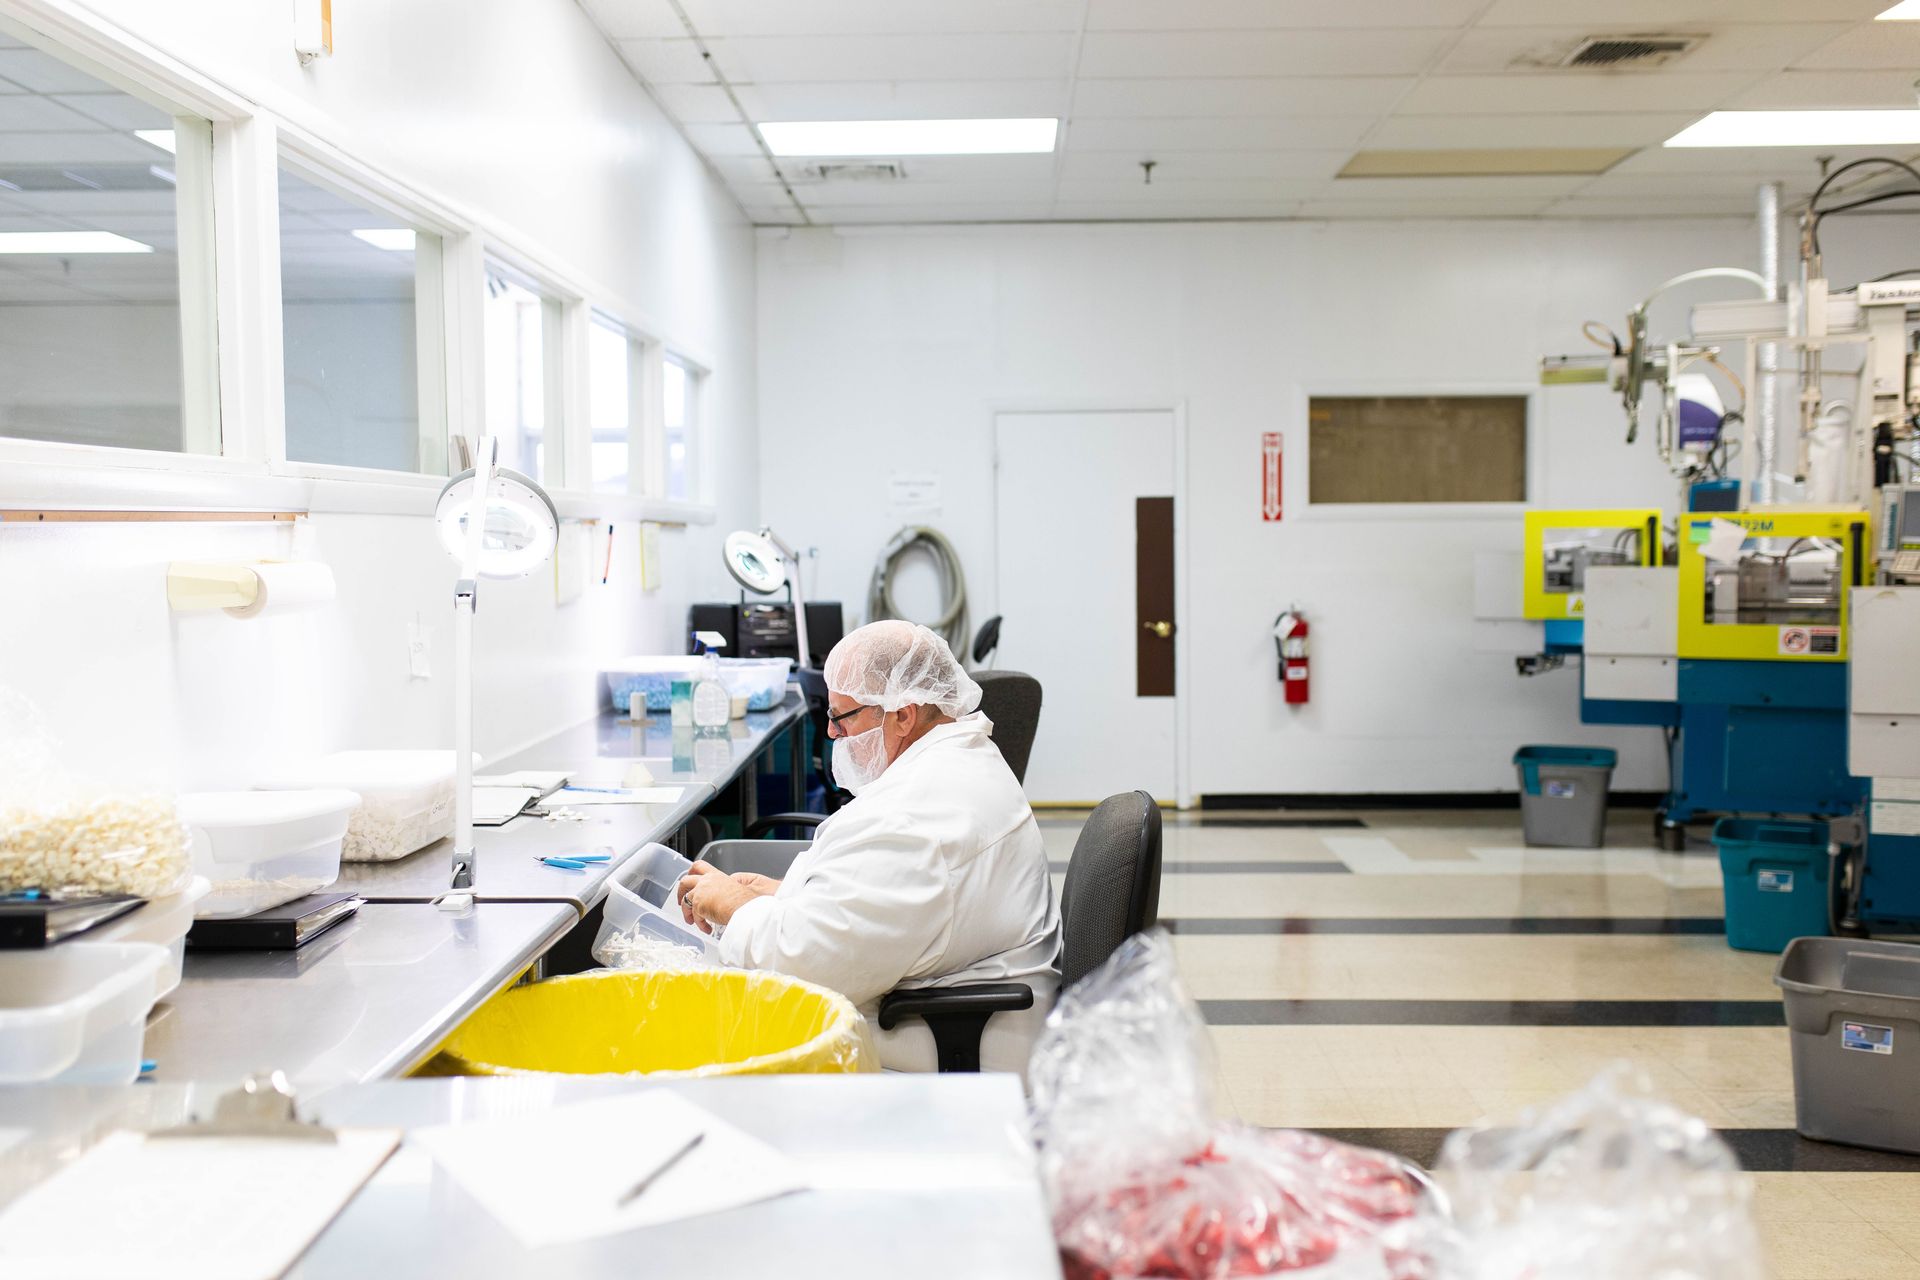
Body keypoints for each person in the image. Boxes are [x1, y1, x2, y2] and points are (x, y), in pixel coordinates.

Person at [676, 619, 1061, 1073]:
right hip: (938, 998)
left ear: (902, 714)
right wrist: (782, 895)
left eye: (843, 717)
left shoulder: (913, 823)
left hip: (937, 1045)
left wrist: (736, 906)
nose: (834, 735)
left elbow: (796, 966)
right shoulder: (957, 758)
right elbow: (872, 902)